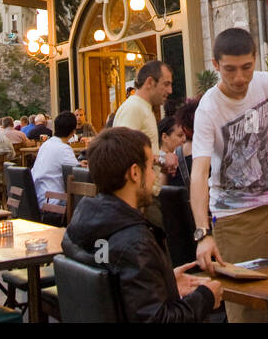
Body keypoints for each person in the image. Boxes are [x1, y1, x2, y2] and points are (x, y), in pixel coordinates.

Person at [190, 27, 268, 323]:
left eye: (246, 67)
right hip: (233, 220)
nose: (240, 77)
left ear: (255, 60)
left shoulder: (267, 83)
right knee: (247, 309)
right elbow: (199, 173)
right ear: (216, 65)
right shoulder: (208, 108)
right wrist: (203, 233)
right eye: (230, 69)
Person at [64, 127, 221, 323]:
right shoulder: (135, 243)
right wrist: (205, 297)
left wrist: (165, 283)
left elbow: (114, 292)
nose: (154, 176)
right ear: (135, 173)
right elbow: (157, 320)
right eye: (151, 168)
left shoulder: (80, 224)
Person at [112, 61, 172, 150]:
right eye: (166, 84)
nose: (170, 91)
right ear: (150, 82)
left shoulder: (141, 107)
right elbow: (122, 151)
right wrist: (161, 157)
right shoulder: (134, 108)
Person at [30, 111, 78, 211]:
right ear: (73, 131)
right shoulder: (64, 148)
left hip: (38, 198)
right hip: (54, 202)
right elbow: (77, 174)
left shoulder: (45, 145)